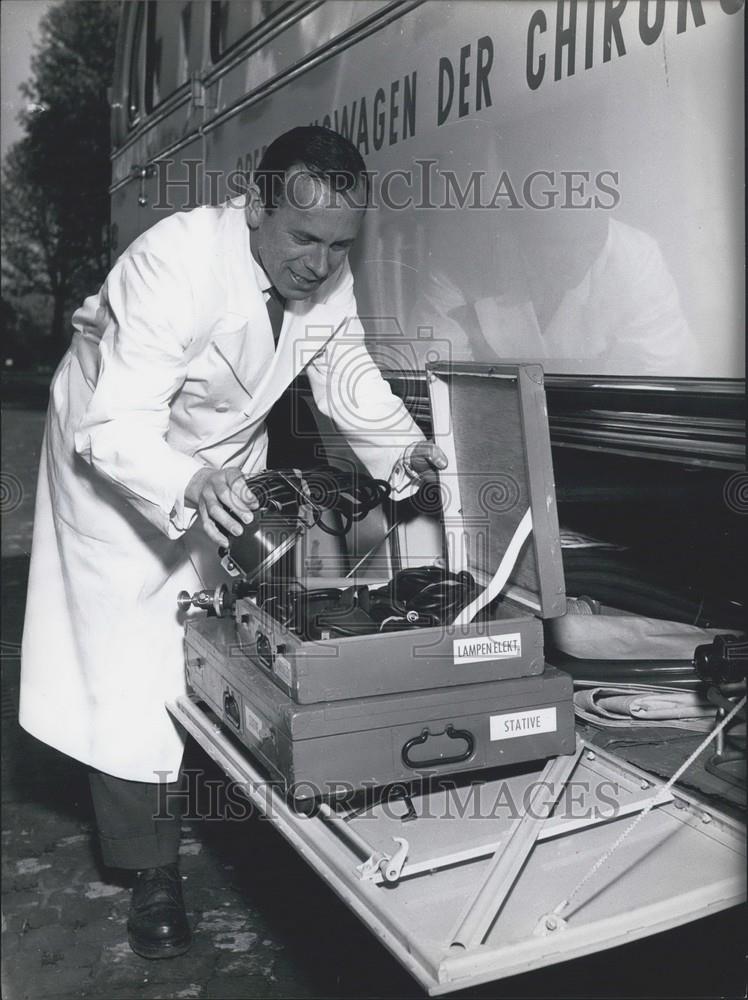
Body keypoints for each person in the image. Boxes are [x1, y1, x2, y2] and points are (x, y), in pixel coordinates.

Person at [19, 126, 446, 959]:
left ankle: (242, 801)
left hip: (222, 455)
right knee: (129, 664)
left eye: (337, 245)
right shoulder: (170, 263)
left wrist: (408, 455)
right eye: (303, 239)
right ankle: (151, 870)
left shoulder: (321, 270)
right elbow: (117, 425)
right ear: (254, 203)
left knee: (228, 631)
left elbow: (344, 376)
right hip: (119, 455)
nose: (319, 265)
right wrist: (184, 483)